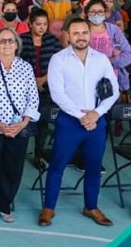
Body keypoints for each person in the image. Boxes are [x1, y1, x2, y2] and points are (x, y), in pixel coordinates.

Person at [41, 18, 119, 227]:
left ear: (90, 34)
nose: (81, 37)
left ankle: (91, 206)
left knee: (94, 166)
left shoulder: (101, 59)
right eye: (75, 33)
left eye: (84, 32)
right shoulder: (58, 59)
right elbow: (57, 93)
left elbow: (113, 91)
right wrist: (81, 115)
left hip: (96, 121)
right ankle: (48, 207)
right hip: (69, 121)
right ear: (68, 35)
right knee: (57, 165)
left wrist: (96, 114)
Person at [0, 28, 39, 224]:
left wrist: (23, 123)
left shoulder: (25, 67)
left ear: (17, 44)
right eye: (2, 41)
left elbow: (33, 98)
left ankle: (5, 205)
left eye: (11, 41)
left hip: (17, 128)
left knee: (13, 168)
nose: (7, 44)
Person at [19, 9, 61, 168]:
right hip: (24, 88)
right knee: (22, 120)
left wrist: (43, 79)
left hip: (46, 87)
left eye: (44, 24)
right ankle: (19, 152)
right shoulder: (21, 39)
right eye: (38, 24)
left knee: (42, 122)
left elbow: (59, 64)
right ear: (30, 24)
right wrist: (32, 81)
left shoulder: (52, 40)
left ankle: (38, 154)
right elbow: (16, 62)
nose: (42, 27)